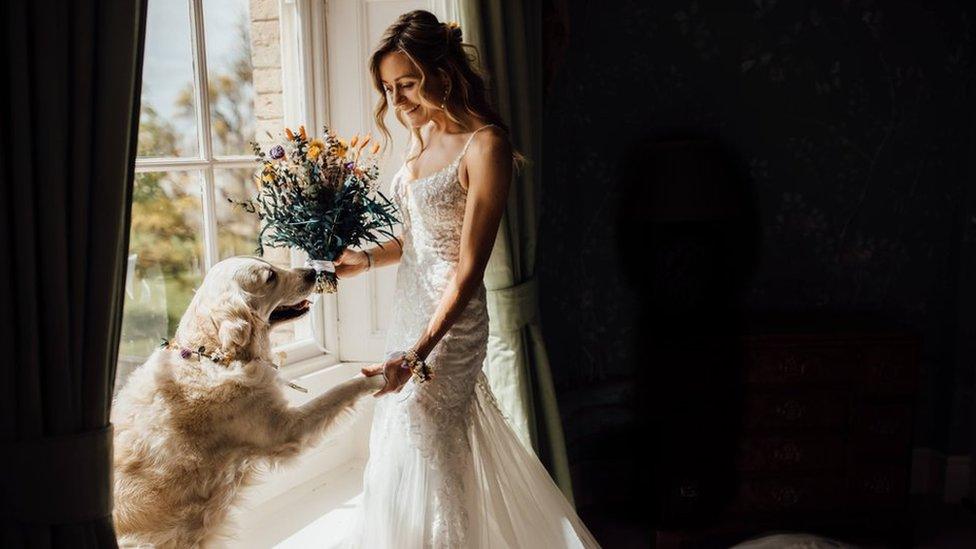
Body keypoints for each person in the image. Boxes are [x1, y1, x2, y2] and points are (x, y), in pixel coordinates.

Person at [334, 10, 601, 549]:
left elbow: (466, 267)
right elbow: (415, 240)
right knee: (400, 436)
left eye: (407, 84)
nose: (398, 100)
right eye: (389, 88)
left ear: (443, 72)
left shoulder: (487, 145)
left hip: (450, 322)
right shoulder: (419, 138)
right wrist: (360, 260)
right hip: (411, 305)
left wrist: (417, 353)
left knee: (430, 435)